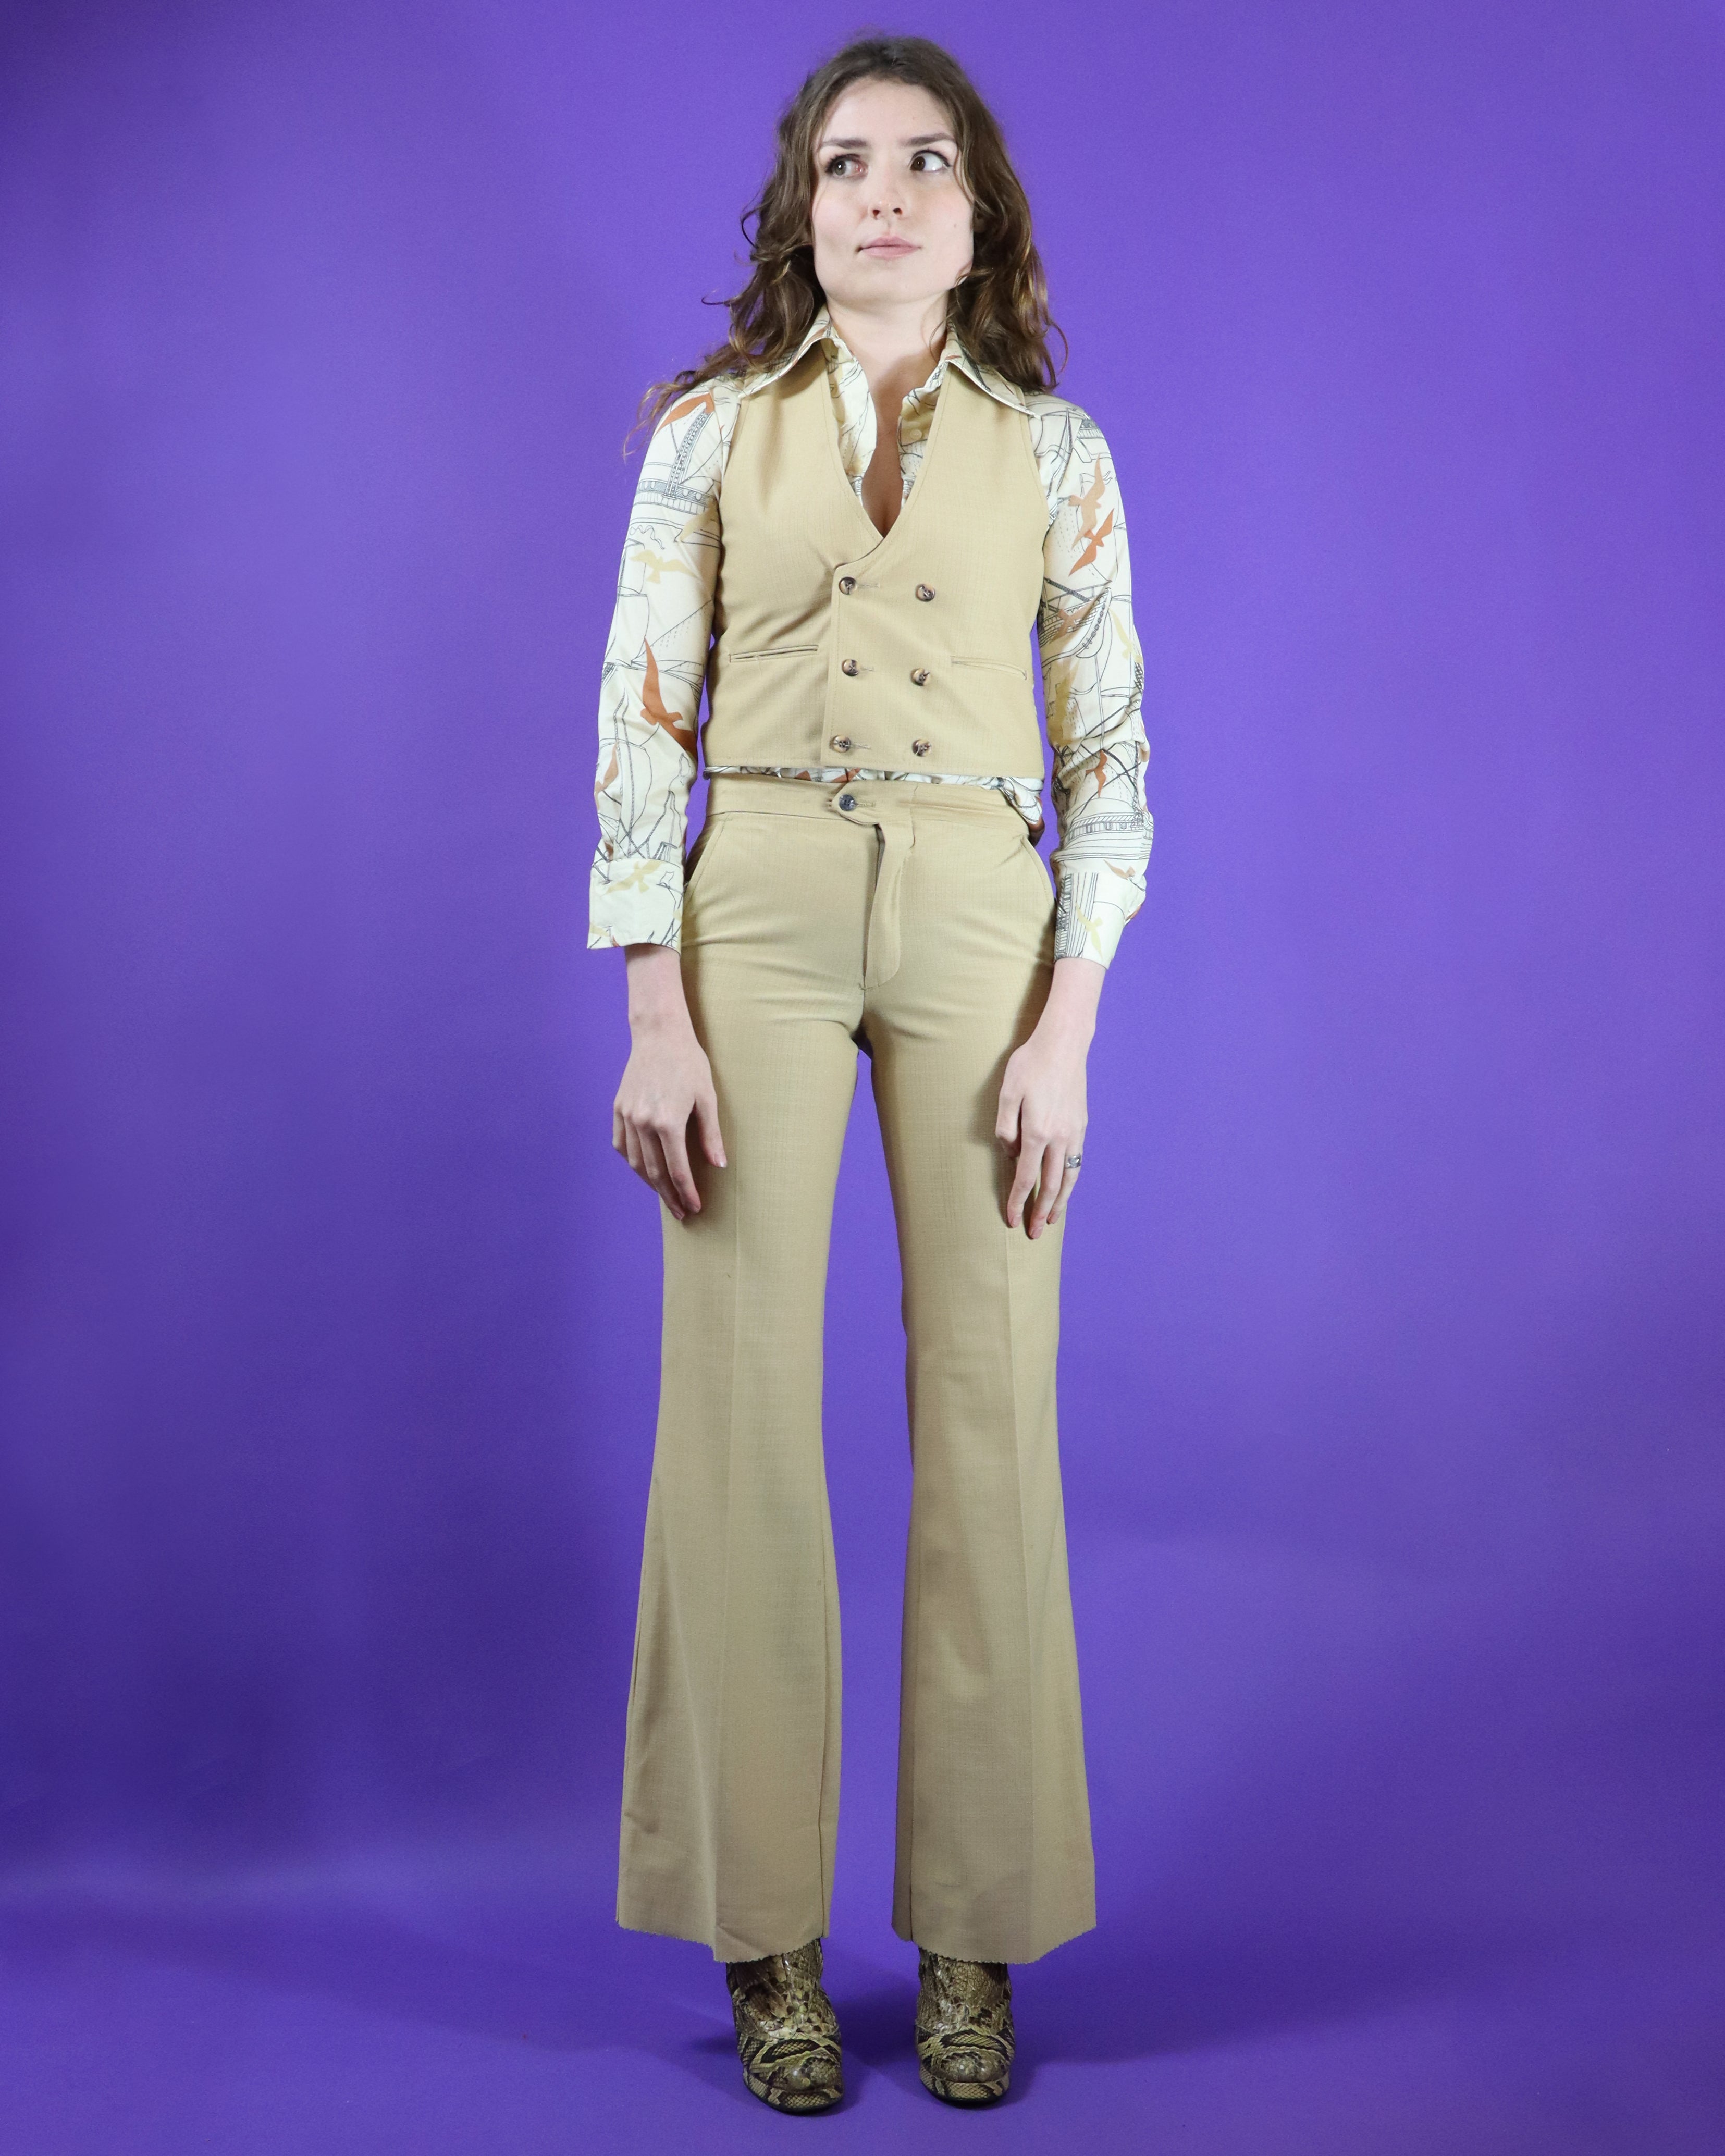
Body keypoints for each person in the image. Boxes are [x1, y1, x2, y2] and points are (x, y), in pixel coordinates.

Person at [588, 32, 1152, 2112]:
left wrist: (1067, 1034)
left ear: (979, 216)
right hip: (754, 896)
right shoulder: (708, 434)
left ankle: (976, 1932)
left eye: (925, 164)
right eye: (846, 165)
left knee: (992, 1403)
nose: (885, 194)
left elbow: (1111, 755)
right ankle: (764, 1937)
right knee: (735, 1406)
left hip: (985, 914)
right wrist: (654, 1009)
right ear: (802, 206)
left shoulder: (1061, 455)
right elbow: (641, 715)